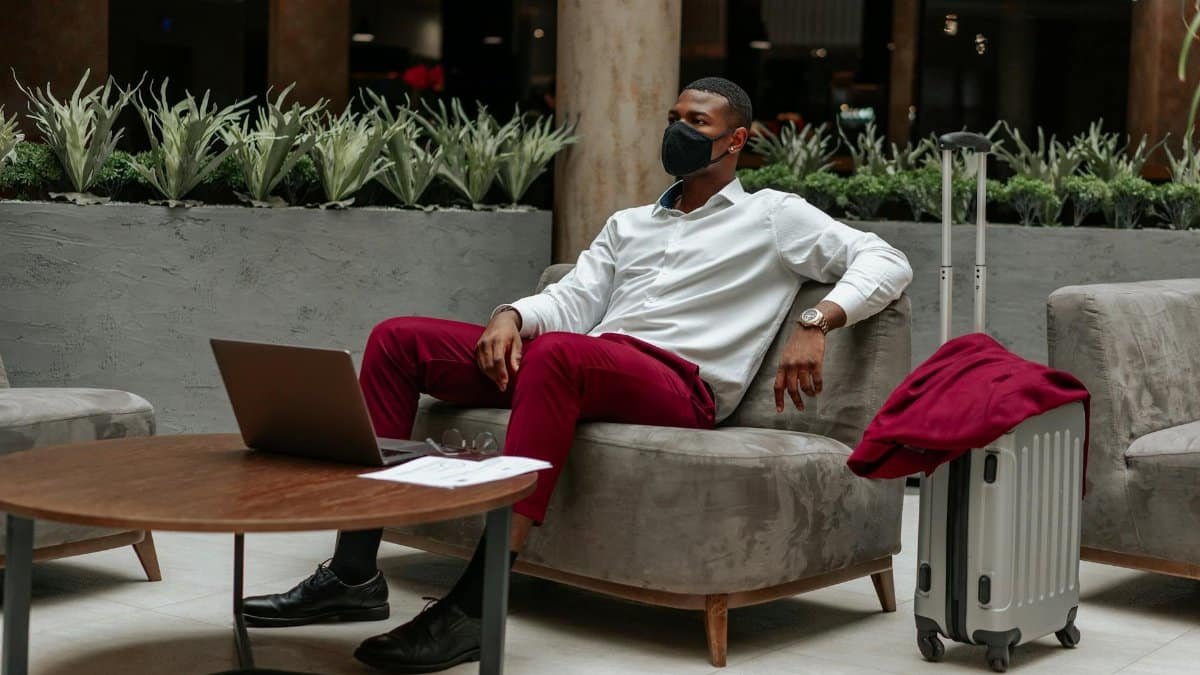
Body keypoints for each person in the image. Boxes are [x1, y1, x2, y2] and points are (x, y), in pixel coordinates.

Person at [242, 77, 914, 673]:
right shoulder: (631, 224)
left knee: (564, 356)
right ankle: (354, 572)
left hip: (682, 385)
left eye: (697, 123)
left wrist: (819, 319)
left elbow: (884, 259)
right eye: (674, 116)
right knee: (399, 340)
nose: (677, 132)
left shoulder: (774, 216)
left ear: (736, 140)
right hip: (590, 364)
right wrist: (511, 313)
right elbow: (573, 301)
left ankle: (476, 606)